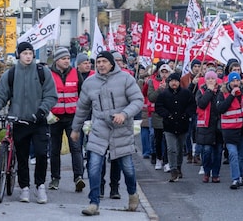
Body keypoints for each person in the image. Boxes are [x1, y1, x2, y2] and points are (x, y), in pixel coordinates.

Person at [70, 51, 143, 216]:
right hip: (99, 128)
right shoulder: (89, 83)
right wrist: (75, 129)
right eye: (98, 62)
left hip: (121, 129)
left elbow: (138, 100)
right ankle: (93, 203)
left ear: (112, 63)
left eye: (104, 61)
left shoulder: (126, 79)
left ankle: (132, 195)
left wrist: (124, 114)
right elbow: (82, 108)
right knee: (93, 167)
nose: (101, 65)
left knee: (128, 169)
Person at [0, 41, 58, 204]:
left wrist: (41, 111)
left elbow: (51, 95)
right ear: (18, 55)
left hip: (38, 121)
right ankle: (24, 187)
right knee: (22, 156)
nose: (28, 56)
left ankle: (40, 186)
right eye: (24, 53)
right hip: (18, 121)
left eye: (30, 53)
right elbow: (1, 94)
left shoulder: (42, 72)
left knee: (40, 153)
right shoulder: (10, 74)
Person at [48, 47, 86, 192]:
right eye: (63, 58)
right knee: (54, 149)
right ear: (57, 60)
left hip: (72, 117)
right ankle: (55, 178)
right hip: (55, 118)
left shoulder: (76, 73)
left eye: (68, 58)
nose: (66, 61)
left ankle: (78, 177)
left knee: (75, 148)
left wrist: (82, 112)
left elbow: (83, 93)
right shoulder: (49, 74)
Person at [155, 72, 196, 182]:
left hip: (183, 125)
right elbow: (158, 107)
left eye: (176, 81)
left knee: (180, 149)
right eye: (172, 81)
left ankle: (178, 167)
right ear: (169, 82)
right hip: (169, 126)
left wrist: (186, 115)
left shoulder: (186, 93)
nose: (174, 83)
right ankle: (173, 169)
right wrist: (167, 115)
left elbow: (192, 106)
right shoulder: (163, 95)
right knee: (171, 148)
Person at [216, 71, 243, 189]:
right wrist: (231, 95)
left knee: (241, 155)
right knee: (233, 154)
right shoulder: (223, 93)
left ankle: (240, 176)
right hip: (230, 129)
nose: (235, 83)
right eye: (233, 81)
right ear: (229, 82)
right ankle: (235, 179)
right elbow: (220, 108)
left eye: (237, 80)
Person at [195, 70, 224, 183]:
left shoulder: (222, 91)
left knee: (218, 151)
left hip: (218, 125)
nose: (211, 80)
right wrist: (209, 91)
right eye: (208, 79)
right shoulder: (201, 91)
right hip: (206, 125)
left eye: (213, 78)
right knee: (206, 151)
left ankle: (215, 174)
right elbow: (202, 104)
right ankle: (207, 172)